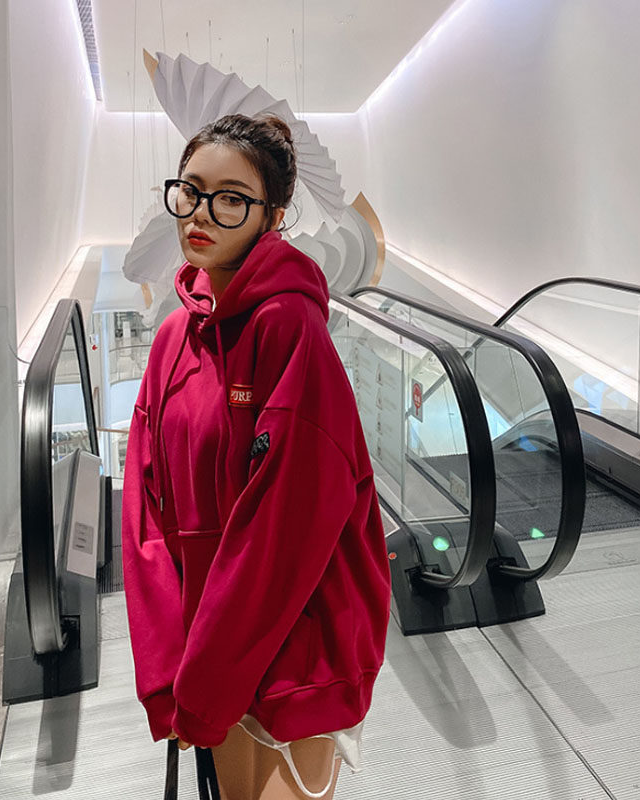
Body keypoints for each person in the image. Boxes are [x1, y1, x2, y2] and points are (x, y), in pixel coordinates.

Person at [121, 113, 391, 800]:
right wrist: (171, 668)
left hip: (297, 644)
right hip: (210, 648)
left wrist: (204, 682)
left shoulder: (288, 326)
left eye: (231, 199)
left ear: (271, 217)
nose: (201, 213)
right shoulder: (174, 336)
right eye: (191, 190)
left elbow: (287, 529)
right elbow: (145, 517)